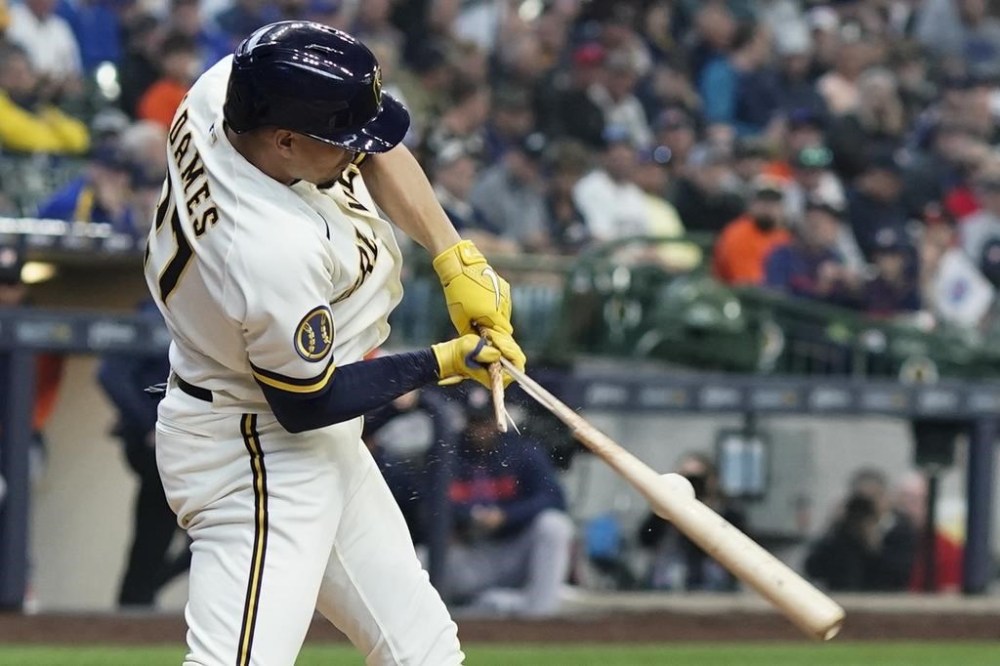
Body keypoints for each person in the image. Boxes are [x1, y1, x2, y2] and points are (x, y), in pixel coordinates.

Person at [142, 21, 525, 666]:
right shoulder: (265, 249)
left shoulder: (229, 90)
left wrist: (454, 254)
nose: (359, 152)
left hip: (297, 433)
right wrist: (445, 361)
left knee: (424, 652)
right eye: (340, 141)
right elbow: (307, 402)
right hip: (256, 448)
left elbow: (378, 146)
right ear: (285, 140)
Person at [439, 386, 573, 616]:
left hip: (514, 550)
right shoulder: (448, 452)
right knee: (420, 559)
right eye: (474, 421)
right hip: (470, 553)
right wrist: (467, 516)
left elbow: (554, 499)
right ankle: (484, 608)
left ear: (498, 418)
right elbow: (425, 504)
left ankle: (539, 616)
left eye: (486, 421)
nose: (480, 429)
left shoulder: (522, 451)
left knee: (554, 526)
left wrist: (507, 516)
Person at [97, 301, 191, 608]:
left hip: (194, 444)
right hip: (157, 445)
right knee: (156, 527)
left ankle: (140, 594)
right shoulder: (153, 316)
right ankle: (136, 599)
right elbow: (110, 375)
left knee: (216, 531)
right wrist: (148, 422)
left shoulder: (206, 311)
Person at [637, 452, 745, 591]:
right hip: (669, 587)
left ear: (711, 480)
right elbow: (645, 539)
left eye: (699, 479)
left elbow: (739, 550)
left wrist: (706, 508)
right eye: (687, 478)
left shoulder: (727, 512)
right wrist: (667, 503)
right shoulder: (665, 512)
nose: (694, 484)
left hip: (714, 590)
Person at [712, 176, 791, 285]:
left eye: (774, 203)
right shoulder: (738, 234)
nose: (768, 208)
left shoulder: (784, 236)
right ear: (751, 205)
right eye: (763, 202)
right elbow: (746, 283)